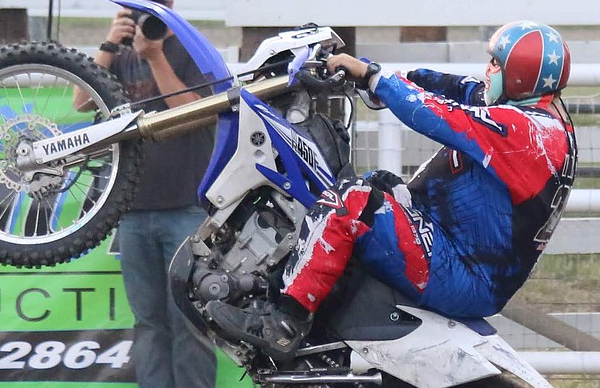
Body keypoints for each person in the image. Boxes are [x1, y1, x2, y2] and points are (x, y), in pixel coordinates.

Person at [207, 21, 578, 360]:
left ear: (521, 77)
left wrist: (376, 79)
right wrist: (371, 74)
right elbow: (457, 89)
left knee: (350, 203)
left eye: (497, 65)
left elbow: (437, 114)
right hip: (464, 255)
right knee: (377, 183)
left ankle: (284, 323)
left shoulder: (530, 134)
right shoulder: (538, 116)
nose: (488, 71)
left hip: (464, 273)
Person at [77, 0, 218, 388]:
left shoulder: (192, 50)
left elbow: (195, 112)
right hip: (133, 208)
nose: (147, 20)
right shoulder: (117, 52)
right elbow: (80, 102)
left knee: (190, 319)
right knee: (148, 322)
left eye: (156, 9)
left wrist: (154, 54)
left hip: (185, 204)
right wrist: (107, 45)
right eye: (139, 10)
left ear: (172, 6)